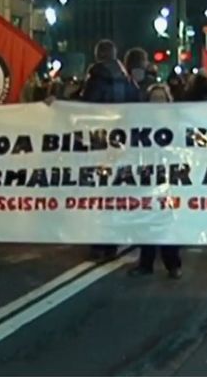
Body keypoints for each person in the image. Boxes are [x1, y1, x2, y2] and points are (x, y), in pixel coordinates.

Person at [80, 39, 141, 262]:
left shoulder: (96, 80)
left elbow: (84, 109)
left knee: (99, 193)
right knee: (116, 193)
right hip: (123, 145)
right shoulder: (128, 81)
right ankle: (112, 242)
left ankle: (99, 243)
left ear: (98, 55)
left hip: (99, 144)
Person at [129, 83, 183, 279]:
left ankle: (173, 264)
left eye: (161, 98)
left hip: (169, 177)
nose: (157, 102)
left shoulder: (176, 122)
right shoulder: (141, 122)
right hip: (147, 176)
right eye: (154, 98)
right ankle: (146, 263)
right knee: (147, 220)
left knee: (167, 221)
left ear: (168, 101)